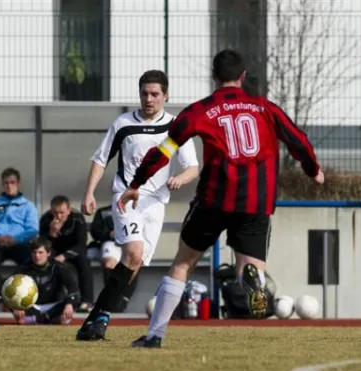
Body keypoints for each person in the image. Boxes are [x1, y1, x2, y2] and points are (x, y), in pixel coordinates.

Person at [118, 49, 324, 348]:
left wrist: (136, 182)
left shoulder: (199, 111)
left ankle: (155, 335)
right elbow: (298, 139)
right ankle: (251, 278)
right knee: (247, 269)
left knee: (183, 263)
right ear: (242, 76)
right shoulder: (265, 107)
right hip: (256, 202)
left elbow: (164, 151)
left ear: (214, 77)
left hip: (214, 200)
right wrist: (312, 168)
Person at [76, 69, 200, 341]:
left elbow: (193, 167)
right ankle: (99, 320)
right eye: (144, 93)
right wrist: (89, 193)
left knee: (135, 263)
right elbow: (101, 158)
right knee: (133, 253)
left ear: (165, 95)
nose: (149, 99)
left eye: (155, 94)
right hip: (126, 197)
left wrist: (180, 178)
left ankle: (95, 320)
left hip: (155, 204)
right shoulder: (123, 123)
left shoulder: (176, 126)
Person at [0, 167, 39, 298]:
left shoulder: (28, 205)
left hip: (20, 244)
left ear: (18, 183)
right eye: (6, 183)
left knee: (32, 261)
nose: (9, 186)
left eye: (12, 182)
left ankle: (13, 292)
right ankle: (2, 294)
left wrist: (16, 239)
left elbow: (33, 230)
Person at [9, 237, 81, 325]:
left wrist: (69, 304)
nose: (37, 256)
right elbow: (10, 289)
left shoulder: (59, 267)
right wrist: (16, 307)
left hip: (54, 305)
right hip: (32, 307)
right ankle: (49, 320)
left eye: (40, 252)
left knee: (73, 302)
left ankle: (35, 320)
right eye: (34, 252)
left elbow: (73, 286)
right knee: (11, 301)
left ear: (48, 253)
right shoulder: (23, 269)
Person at [39, 195, 93, 312]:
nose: (58, 216)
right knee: (46, 261)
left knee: (83, 261)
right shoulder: (46, 219)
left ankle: (87, 301)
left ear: (68, 210)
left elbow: (81, 244)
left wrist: (65, 256)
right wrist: (52, 233)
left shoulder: (77, 219)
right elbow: (42, 244)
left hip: (73, 251)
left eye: (62, 213)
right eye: (55, 212)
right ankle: (52, 300)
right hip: (54, 250)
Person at [88, 204, 138, 312]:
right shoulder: (104, 211)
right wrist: (109, 234)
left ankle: (123, 298)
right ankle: (110, 298)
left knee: (135, 261)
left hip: (132, 244)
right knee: (109, 263)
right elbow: (95, 231)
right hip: (112, 243)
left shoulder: (137, 209)